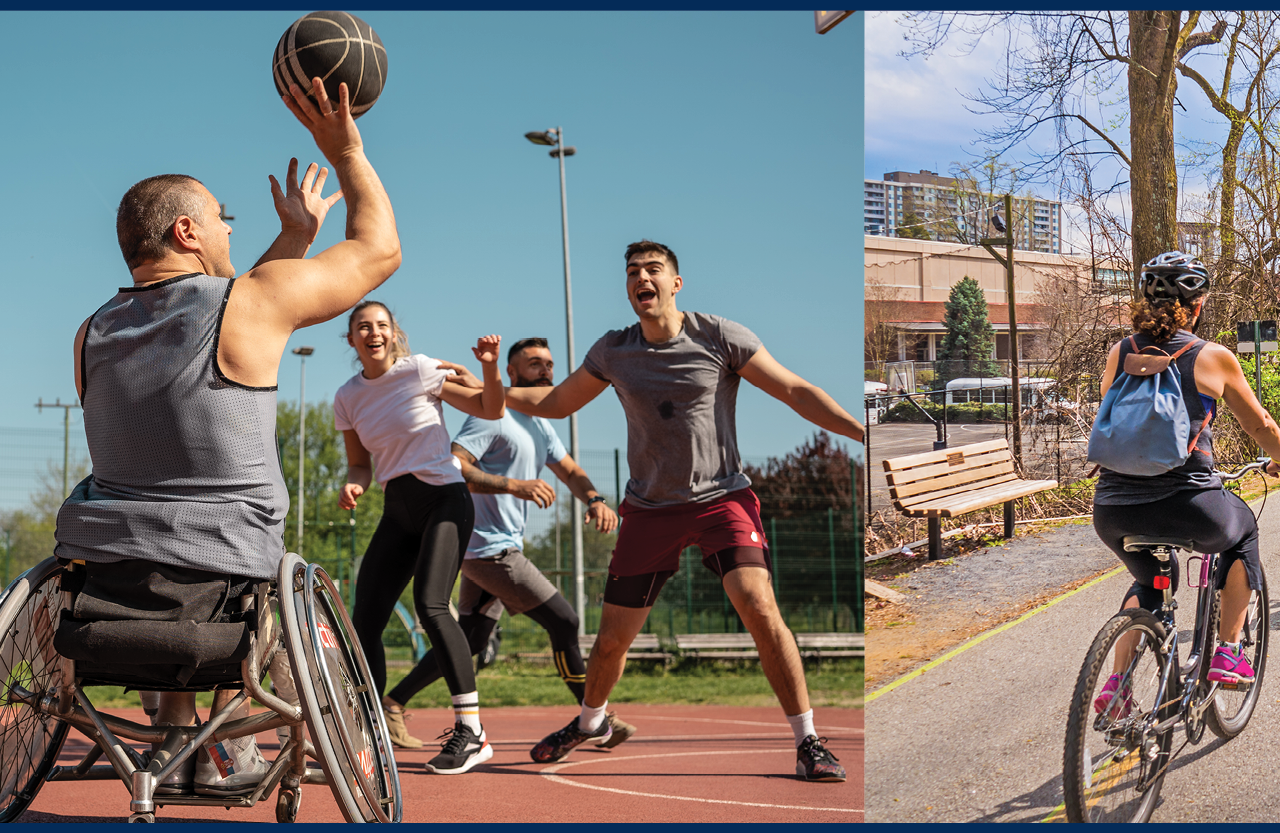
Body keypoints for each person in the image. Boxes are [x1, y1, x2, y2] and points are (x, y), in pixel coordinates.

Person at [51, 73, 398, 790]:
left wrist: (296, 235)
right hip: (227, 576)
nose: (230, 229)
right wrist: (347, 150)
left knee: (150, 506)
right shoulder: (248, 305)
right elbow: (377, 250)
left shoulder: (90, 333)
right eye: (222, 218)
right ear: (188, 232)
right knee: (232, 544)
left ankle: (176, 733)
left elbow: (212, 329)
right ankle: (231, 738)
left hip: (106, 580)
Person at [476, 240, 874, 782]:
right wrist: (470, 387)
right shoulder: (614, 351)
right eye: (632, 272)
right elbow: (552, 403)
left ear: (675, 283)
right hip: (649, 510)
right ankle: (591, 721)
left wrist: (860, 432)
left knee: (758, 606)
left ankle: (808, 741)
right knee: (614, 637)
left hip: (722, 498)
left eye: (653, 269)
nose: (642, 277)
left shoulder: (719, 336)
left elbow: (793, 389)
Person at [321, 301, 549, 773]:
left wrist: (488, 368)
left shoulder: (420, 370)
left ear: (394, 333)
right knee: (364, 619)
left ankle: (472, 731)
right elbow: (360, 461)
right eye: (363, 327)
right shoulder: (347, 397)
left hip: (444, 499)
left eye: (382, 325)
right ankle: (370, 732)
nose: (373, 333)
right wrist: (354, 483)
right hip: (397, 508)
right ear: (350, 340)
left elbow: (491, 407)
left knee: (431, 604)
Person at [1079, 252, 1280, 720]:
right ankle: (1229, 651)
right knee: (1243, 533)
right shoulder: (1212, 356)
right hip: (1189, 504)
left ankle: (1117, 687)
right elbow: (1259, 424)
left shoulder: (1121, 352)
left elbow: (1116, 420)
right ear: (1197, 305)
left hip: (1114, 509)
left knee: (1149, 580)